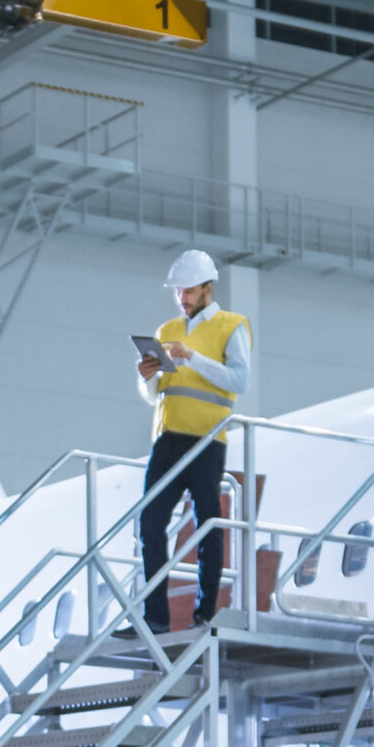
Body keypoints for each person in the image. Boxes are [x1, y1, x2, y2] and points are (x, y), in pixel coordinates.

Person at [127, 249, 251, 637]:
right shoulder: (166, 332)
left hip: (207, 441)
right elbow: (154, 394)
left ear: (208, 288)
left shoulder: (233, 327)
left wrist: (192, 357)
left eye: (189, 291)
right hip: (167, 439)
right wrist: (146, 375)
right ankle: (155, 618)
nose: (182, 297)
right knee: (149, 522)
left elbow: (239, 382)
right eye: (177, 291)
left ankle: (205, 614)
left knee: (207, 524)